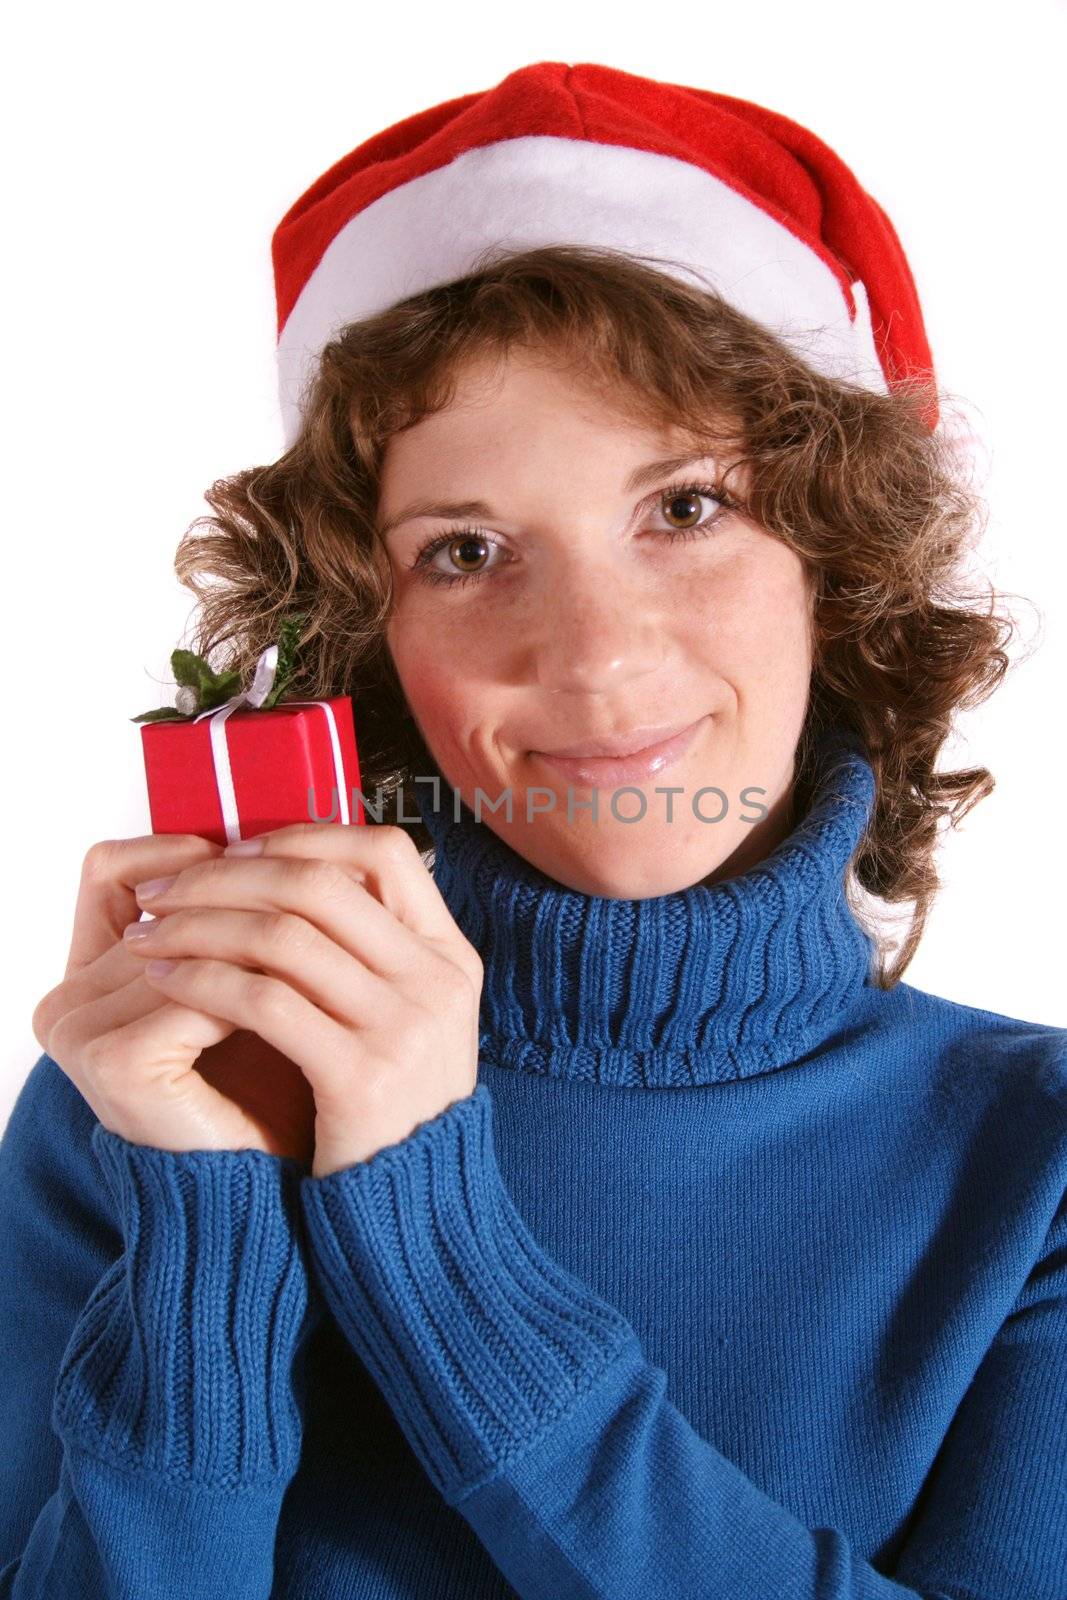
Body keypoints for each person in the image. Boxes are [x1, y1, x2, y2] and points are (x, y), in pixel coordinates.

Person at [1, 59, 1064, 1600]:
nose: (592, 657)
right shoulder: (153, 1089)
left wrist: (434, 1246)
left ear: (838, 558)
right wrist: (208, 1236)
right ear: (364, 630)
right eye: (469, 548)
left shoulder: (1032, 1166)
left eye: (687, 509)